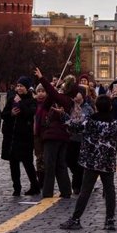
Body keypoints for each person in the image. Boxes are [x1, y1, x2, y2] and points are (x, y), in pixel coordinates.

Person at [59, 95, 117, 231]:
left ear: (96, 107)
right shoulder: (114, 123)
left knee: (85, 191)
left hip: (91, 162)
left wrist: (63, 115)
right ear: (110, 107)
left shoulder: (90, 122)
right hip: (107, 162)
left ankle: (76, 219)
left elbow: (74, 127)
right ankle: (110, 220)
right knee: (110, 190)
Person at [35, 68, 74, 199]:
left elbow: (52, 93)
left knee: (51, 164)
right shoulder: (61, 98)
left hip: (54, 135)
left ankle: (48, 192)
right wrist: (52, 91)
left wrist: (42, 79)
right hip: (60, 135)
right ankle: (65, 190)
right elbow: (46, 106)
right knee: (59, 164)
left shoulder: (65, 99)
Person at [1, 76, 40, 196]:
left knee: (28, 163)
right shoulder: (11, 98)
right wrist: (11, 113)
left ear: (27, 88)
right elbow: (4, 114)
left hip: (25, 137)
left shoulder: (32, 100)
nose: (19, 88)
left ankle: (35, 186)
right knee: (13, 164)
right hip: (12, 137)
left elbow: (29, 113)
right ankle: (16, 187)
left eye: (21, 86)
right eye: (18, 86)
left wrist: (20, 103)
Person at [66, 87, 94, 195]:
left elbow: (91, 123)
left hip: (83, 140)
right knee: (69, 161)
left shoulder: (88, 108)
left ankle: (78, 185)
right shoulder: (70, 107)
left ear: (82, 95)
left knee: (80, 164)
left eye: (76, 93)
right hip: (71, 138)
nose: (75, 96)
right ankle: (77, 180)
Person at [33, 83, 48, 189]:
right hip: (36, 134)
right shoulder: (34, 104)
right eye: (38, 91)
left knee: (46, 157)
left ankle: (47, 178)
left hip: (46, 134)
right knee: (39, 157)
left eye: (43, 91)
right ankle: (40, 180)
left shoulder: (48, 104)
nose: (41, 94)